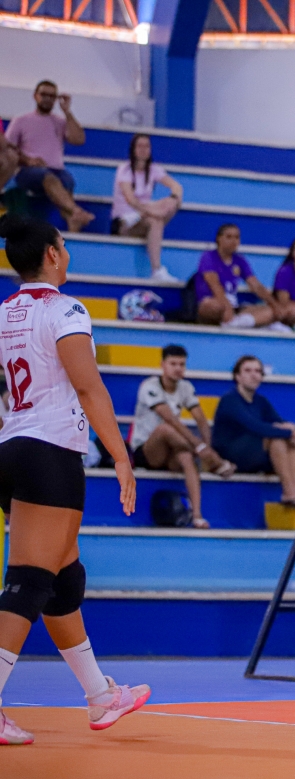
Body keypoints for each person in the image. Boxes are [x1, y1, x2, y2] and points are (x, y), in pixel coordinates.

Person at [0, 214, 148, 745]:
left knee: (64, 578)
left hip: (13, 447)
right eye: (63, 245)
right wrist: (121, 457)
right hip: (52, 453)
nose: (66, 252)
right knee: (29, 582)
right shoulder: (66, 309)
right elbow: (89, 388)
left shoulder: (4, 313)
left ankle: (100, 696)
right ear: (52, 254)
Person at [129, 344, 236, 529]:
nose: (178, 368)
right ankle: (214, 461)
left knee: (186, 457)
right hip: (146, 450)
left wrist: (207, 446)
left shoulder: (185, 387)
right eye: (173, 364)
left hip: (174, 447)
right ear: (163, 365)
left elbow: (201, 420)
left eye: (182, 364)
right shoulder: (149, 386)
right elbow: (170, 419)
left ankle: (197, 516)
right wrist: (201, 448)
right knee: (165, 429)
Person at [212, 355, 295, 507]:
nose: (254, 375)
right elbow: (254, 426)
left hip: (255, 453)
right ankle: (289, 491)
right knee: (277, 438)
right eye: (248, 371)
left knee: (285, 434)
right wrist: (290, 433)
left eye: (257, 371)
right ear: (237, 376)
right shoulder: (230, 400)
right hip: (232, 455)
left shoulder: (260, 400)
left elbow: (278, 420)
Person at [5, 81, 92, 232]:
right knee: (49, 177)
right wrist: (28, 160)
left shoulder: (60, 121)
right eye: (44, 94)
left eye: (52, 96)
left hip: (56, 170)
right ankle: (76, 211)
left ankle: (73, 225)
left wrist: (67, 112)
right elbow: (8, 148)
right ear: (35, 96)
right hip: (27, 171)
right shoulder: (21, 120)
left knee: (67, 181)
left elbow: (79, 140)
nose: (48, 99)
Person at [111, 134, 183, 282]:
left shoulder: (154, 169)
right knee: (156, 219)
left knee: (169, 205)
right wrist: (154, 211)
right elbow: (131, 200)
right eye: (140, 146)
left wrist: (174, 199)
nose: (143, 149)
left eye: (147, 146)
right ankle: (156, 269)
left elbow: (176, 186)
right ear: (133, 149)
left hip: (145, 217)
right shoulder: (124, 169)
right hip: (125, 221)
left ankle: (157, 270)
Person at [194, 224, 283, 329]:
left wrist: (274, 304)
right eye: (229, 237)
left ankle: (234, 324)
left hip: (234, 307)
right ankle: (239, 323)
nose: (233, 241)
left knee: (269, 311)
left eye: (237, 237)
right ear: (219, 238)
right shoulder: (209, 256)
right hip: (213, 301)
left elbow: (255, 284)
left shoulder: (240, 260)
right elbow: (214, 284)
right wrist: (226, 307)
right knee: (213, 306)